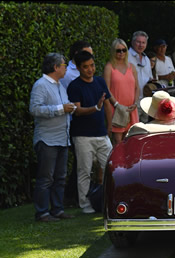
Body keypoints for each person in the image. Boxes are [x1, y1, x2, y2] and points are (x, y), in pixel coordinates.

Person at [29, 53, 76, 222]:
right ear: (55, 67)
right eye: (63, 65)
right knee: (46, 178)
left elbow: (62, 107)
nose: (65, 68)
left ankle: (57, 209)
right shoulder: (41, 85)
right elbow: (35, 109)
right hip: (47, 139)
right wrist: (61, 109)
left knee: (60, 177)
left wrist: (70, 108)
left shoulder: (60, 86)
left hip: (62, 139)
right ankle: (42, 213)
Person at [67, 51, 113, 214]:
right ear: (79, 68)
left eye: (92, 65)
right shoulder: (74, 86)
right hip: (82, 136)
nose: (90, 69)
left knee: (111, 168)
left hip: (102, 134)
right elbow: (77, 110)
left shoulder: (100, 82)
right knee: (84, 171)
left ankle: (111, 201)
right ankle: (85, 205)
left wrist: (109, 127)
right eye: (85, 67)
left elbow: (107, 105)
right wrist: (95, 108)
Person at [60, 40, 93, 207]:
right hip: (73, 120)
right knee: (80, 159)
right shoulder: (67, 73)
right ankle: (70, 195)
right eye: (87, 53)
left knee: (83, 159)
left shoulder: (86, 69)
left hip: (84, 119)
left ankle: (74, 194)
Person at [103, 38, 139, 146]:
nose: (121, 53)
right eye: (118, 50)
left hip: (131, 109)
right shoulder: (109, 67)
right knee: (118, 142)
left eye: (124, 50)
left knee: (131, 140)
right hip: (117, 109)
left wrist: (135, 103)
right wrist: (117, 104)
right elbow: (106, 89)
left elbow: (137, 87)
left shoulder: (131, 67)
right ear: (113, 51)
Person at [128, 31, 152, 123]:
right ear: (133, 42)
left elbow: (149, 77)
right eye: (138, 42)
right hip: (131, 100)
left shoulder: (146, 59)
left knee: (144, 129)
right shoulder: (126, 56)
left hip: (145, 101)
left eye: (143, 42)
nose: (141, 45)